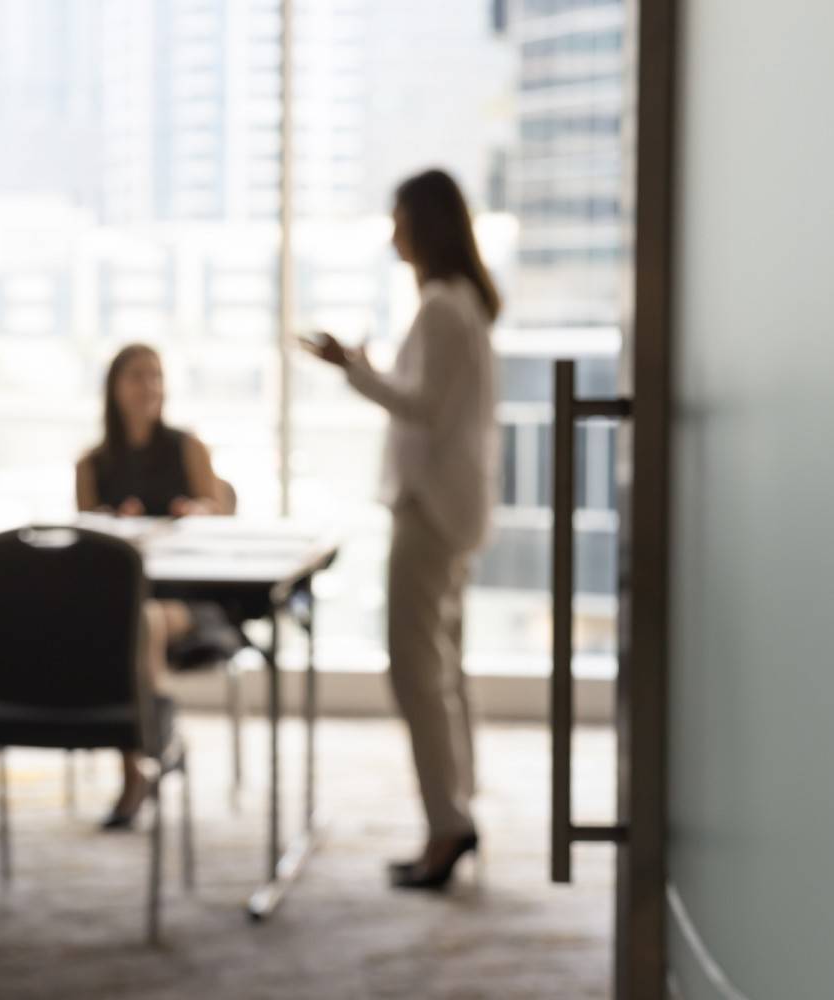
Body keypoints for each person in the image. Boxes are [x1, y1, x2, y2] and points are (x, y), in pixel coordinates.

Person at [303, 168, 498, 891]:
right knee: (443, 666)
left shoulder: (444, 307)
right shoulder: (461, 304)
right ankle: (457, 809)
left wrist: (352, 369)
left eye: (399, 219)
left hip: (432, 509)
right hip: (453, 506)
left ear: (423, 223)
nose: (392, 233)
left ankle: (447, 823)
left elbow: (422, 407)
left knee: (416, 671)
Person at [74, 343, 239, 830]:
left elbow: (219, 513)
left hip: (188, 596)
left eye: (156, 376)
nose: (149, 386)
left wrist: (196, 512)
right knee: (118, 621)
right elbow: (87, 538)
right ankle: (152, 746)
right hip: (123, 594)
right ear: (114, 388)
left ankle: (142, 757)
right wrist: (115, 523)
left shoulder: (188, 447)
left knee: (137, 623)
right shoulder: (91, 464)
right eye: (137, 376)